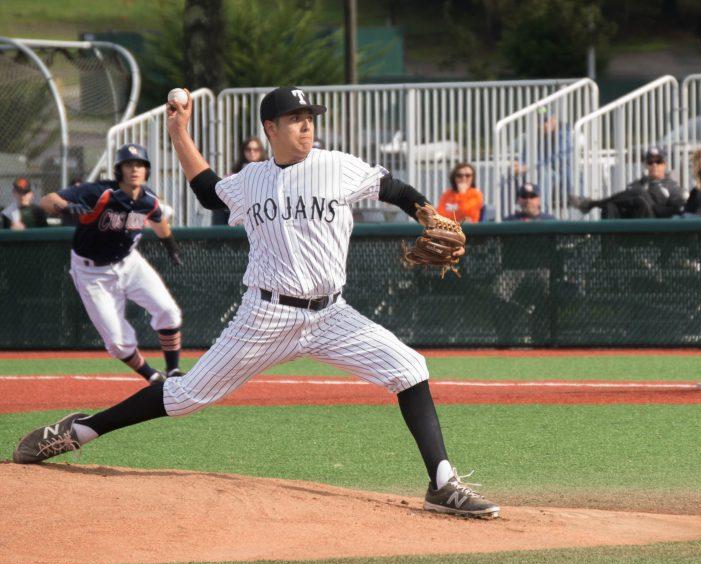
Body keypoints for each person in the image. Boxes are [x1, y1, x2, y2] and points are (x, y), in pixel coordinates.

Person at [12, 87, 499, 520]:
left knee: (409, 367)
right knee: (184, 397)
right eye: (296, 118)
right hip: (266, 314)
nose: (307, 124)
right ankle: (78, 432)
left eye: (311, 117)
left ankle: (442, 484)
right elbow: (207, 192)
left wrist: (425, 213)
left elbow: (391, 186)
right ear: (271, 127)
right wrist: (180, 133)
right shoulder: (251, 179)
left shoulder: (337, 166)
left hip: (332, 314)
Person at [36, 143, 185, 385]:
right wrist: (65, 206)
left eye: (140, 165)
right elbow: (46, 200)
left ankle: (174, 371)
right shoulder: (100, 192)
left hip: (129, 261)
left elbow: (159, 221)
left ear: (146, 170)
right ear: (119, 170)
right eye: (129, 164)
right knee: (116, 342)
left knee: (169, 311)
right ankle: (152, 375)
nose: (135, 169)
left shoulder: (148, 200)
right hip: (91, 271)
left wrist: (171, 247)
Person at [571, 147, 686, 219]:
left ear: (664, 164)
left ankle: (591, 204)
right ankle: (608, 252)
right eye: (650, 162)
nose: (654, 165)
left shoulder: (672, 186)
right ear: (646, 165)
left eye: (658, 161)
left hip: (655, 225)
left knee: (639, 194)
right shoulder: (639, 183)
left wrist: (654, 204)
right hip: (633, 222)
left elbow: (676, 210)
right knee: (610, 206)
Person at [212, 137, 270, 225]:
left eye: (256, 149)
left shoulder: (269, 173)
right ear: (243, 151)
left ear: (261, 151)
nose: (251, 152)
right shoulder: (233, 175)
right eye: (248, 149)